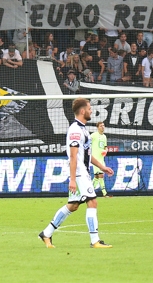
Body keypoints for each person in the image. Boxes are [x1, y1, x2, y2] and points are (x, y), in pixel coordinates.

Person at [39, 97, 114, 249]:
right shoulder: (75, 130)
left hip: (82, 172)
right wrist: (72, 180)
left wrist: (102, 167)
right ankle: (95, 241)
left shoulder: (83, 129)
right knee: (92, 201)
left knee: (73, 206)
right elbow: (73, 156)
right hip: (79, 174)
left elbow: (86, 154)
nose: (91, 110)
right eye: (89, 108)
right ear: (82, 111)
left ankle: (46, 233)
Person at [90, 121, 109, 197]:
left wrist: (106, 151)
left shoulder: (104, 137)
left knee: (97, 177)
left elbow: (105, 147)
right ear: (97, 127)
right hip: (95, 159)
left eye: (103, 125)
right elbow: (87, 141)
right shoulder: (94, 135)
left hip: (101, 159)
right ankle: (105, 193)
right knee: (101, 175)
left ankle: (89, 192)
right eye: (101, 126)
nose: (103, 127)